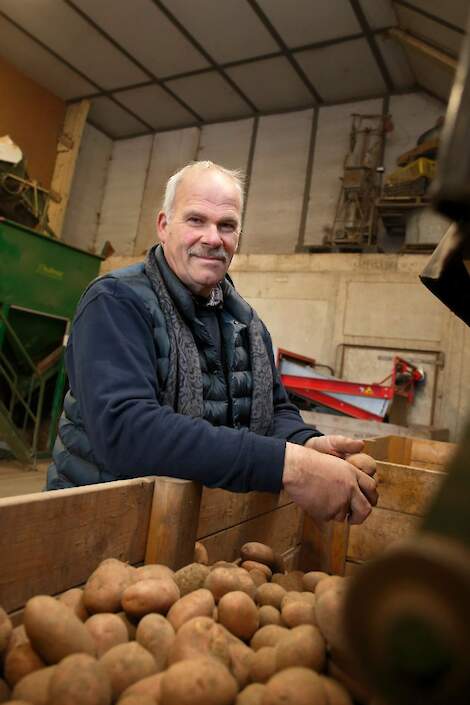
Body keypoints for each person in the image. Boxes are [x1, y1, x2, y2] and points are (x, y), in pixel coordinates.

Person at [47, 161, 377, 524]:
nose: (213, 238)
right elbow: (127, 431)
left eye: (226, 226)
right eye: (195, 220)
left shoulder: (247, 324)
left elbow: (273, 410)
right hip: (94, 521)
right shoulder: (115, 302)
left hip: (190, 526)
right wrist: (287, 464)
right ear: (163, 226)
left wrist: (305, 443)